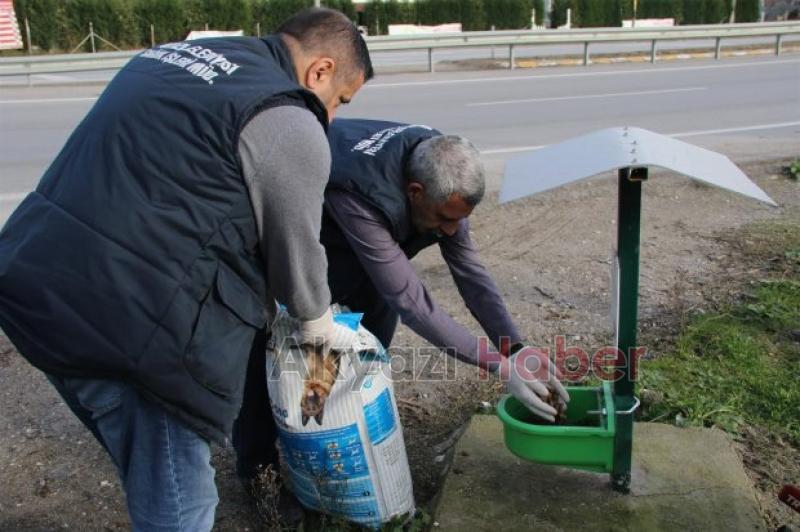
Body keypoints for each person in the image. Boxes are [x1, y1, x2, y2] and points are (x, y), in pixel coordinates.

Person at [0, 8, 372, 530]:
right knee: (182, 506)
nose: (331, 116)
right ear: (320, 71)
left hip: (34, 284)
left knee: (149, 471)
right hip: (134, 333)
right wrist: (317, 328)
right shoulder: (289, 118)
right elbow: (297, 251)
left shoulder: (165, 58)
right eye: (339, 100)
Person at [321, 118, 569, 420]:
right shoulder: (361, 195)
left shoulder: (443, 168)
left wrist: (514, 348)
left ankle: (357, 420)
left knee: (373, 342)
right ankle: (275, 452)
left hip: (373, 239)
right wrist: (500, 367)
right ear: (415, 192)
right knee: (316, 359)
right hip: (320, 244)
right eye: (444, 218)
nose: (452, 231)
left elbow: (470, 272)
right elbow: (411, 301)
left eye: (460, 219)